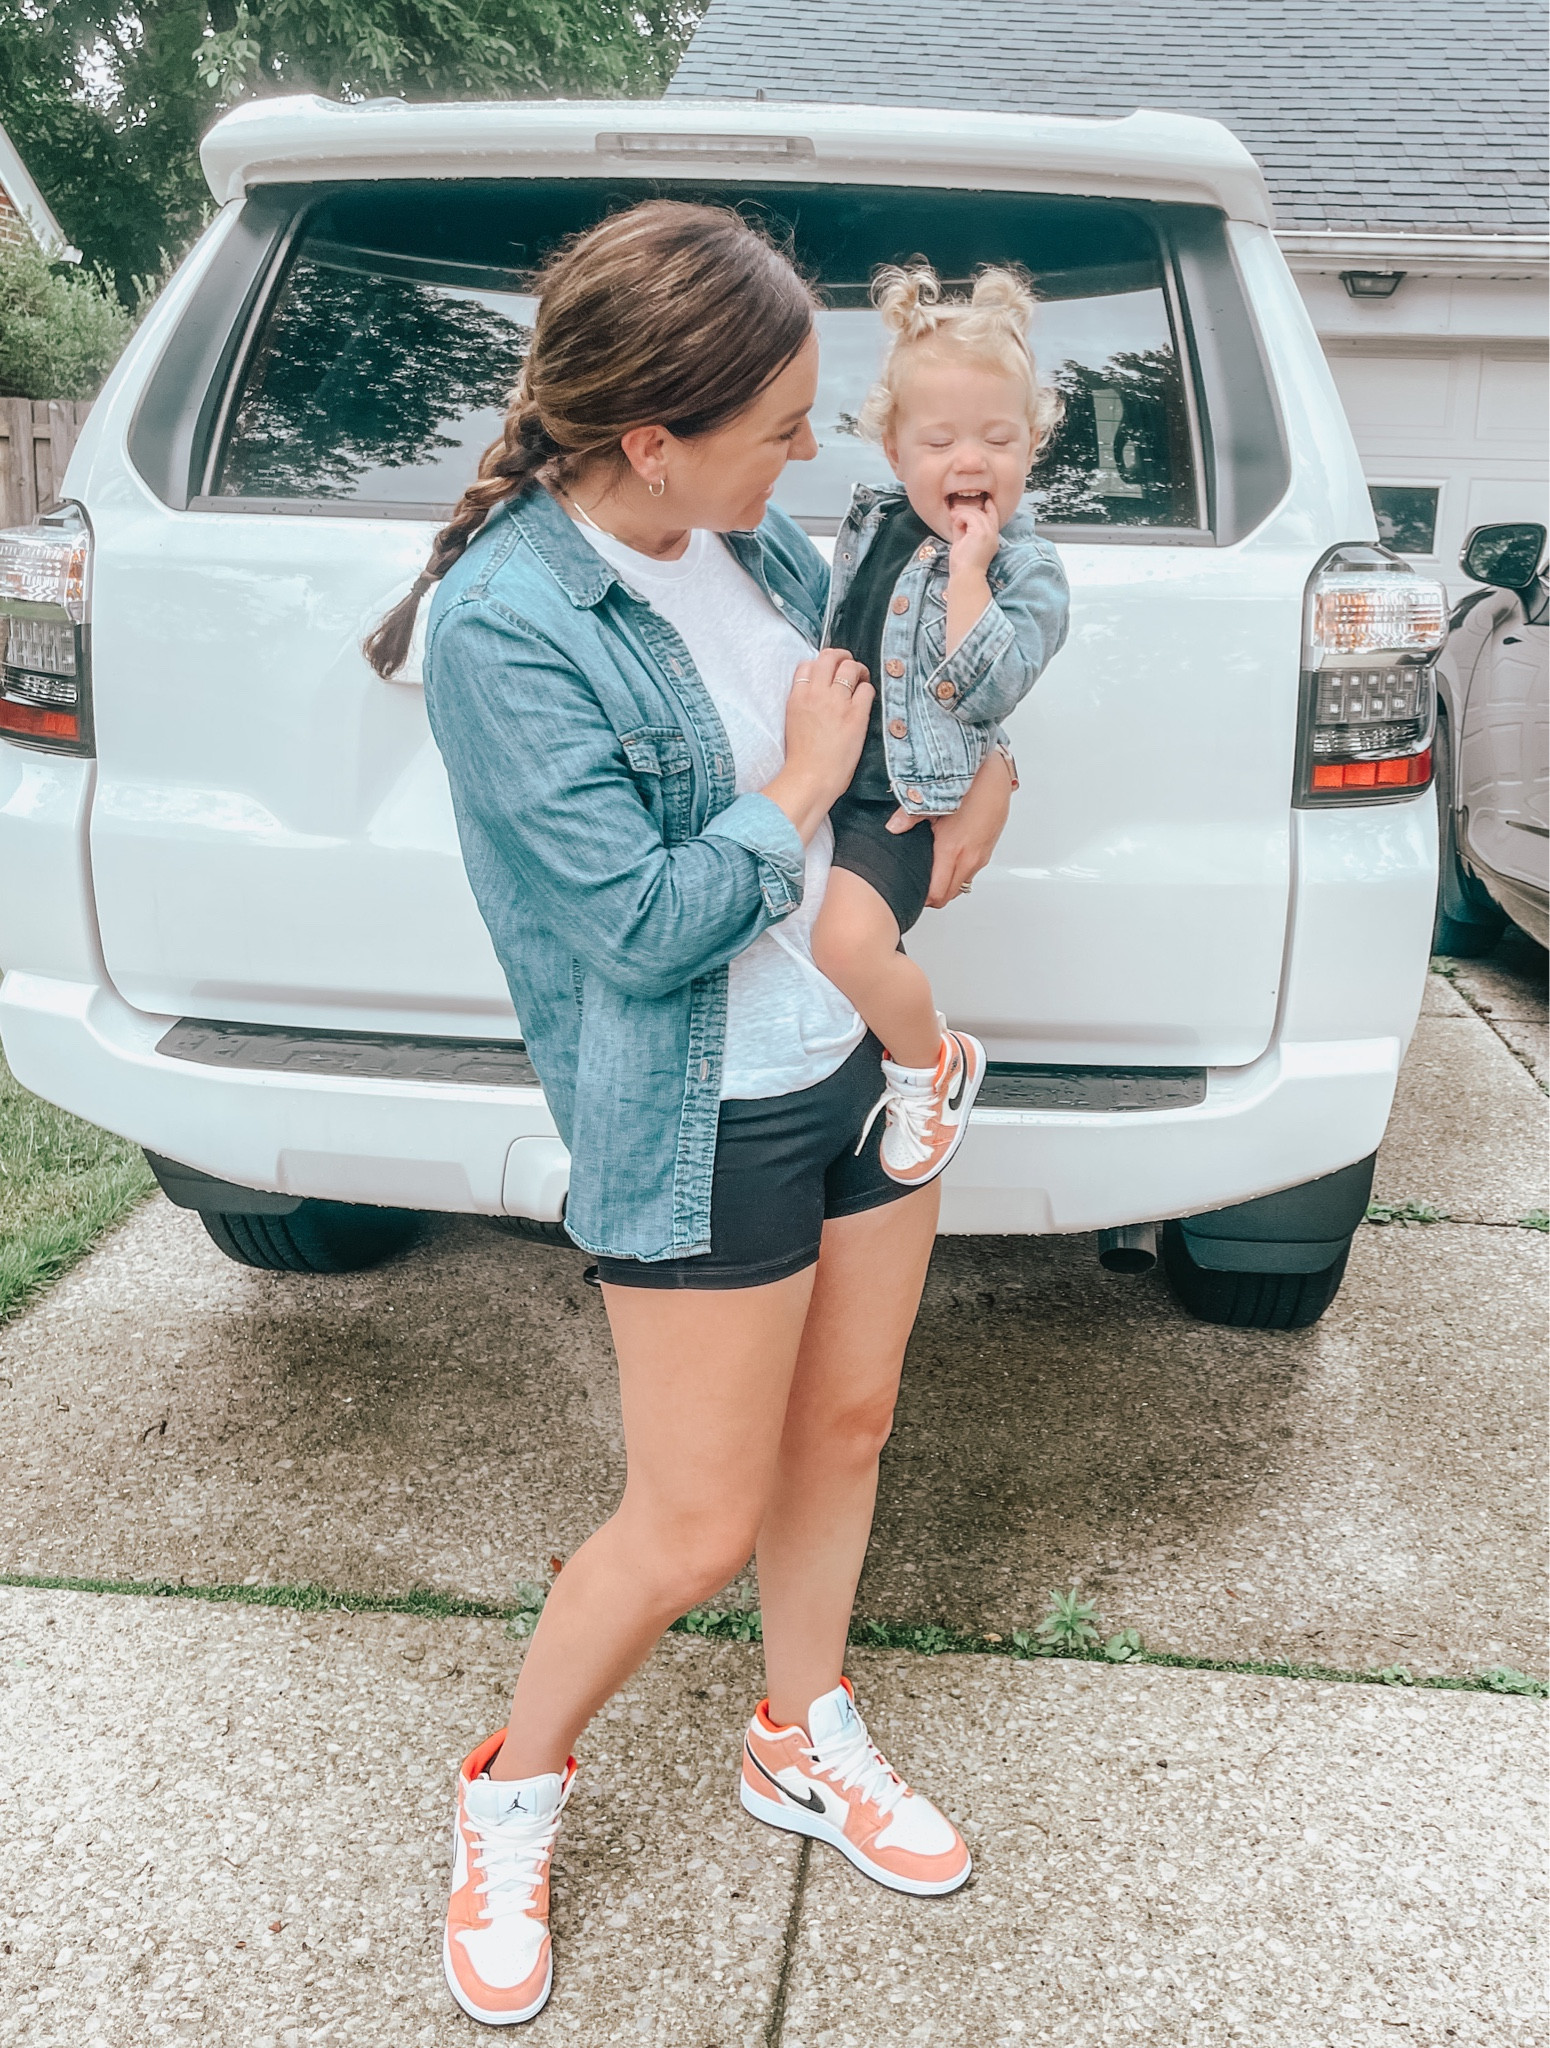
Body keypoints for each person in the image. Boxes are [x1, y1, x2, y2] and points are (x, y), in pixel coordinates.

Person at [364, 201, 1019, 2029]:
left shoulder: (755, 549)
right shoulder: (509, 624)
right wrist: (797, 786)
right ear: (652, 434)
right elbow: (641, 928)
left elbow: (885, 732)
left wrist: (966, 782)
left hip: (848, 1068)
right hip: (695, 1110)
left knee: (855, 1420)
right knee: (690, 1519)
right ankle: (511, 1786)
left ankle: (797, 1733)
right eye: (784, 426)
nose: (814, 454)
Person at [810, 264, 1069, 1187]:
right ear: (892, 450)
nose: (971, 460)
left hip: (905, 806)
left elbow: (988, 687)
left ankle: (930, 1065)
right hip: (830, 791)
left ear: (1032, 445)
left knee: (844, 944)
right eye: (941, 439)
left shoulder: (1023, 571)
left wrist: (969, 575)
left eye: (999, 438)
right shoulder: (872, 524)